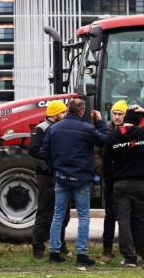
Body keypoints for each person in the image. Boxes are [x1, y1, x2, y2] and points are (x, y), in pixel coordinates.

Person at [40, 98, 109, 265]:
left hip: (61, 178)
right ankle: (82, 255)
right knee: (84, 216)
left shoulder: (54, 129)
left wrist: (54, 168)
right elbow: (106, 139)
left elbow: (44, 152)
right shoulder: (86, 128)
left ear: (68, 109)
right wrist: (100, 121)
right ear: (81, 112)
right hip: (81, 179)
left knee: (57, 215)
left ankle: (54, 253)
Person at [102, 105, 144, 267]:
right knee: (143, 221)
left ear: (125, 119)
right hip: (140, 184)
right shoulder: (141, 133)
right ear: (136, 120)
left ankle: (129, 258)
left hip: (120, 185)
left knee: (123, 222)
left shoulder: (112, 137)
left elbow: (106, 166)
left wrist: (115, 177)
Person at [28, 100, 69, 259]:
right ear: (56, 114)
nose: (65, 115)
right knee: (45, 212)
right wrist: (50, 166)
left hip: (59, 175)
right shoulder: (41, 129)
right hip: (46, 177)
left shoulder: (57, 128)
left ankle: (60, 245)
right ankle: (38, 249)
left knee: (63, 214)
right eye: (63, 112)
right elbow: (33, 151)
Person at [93, 99, 127, 259]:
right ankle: (107, 247)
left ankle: (127, 247)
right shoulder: (106, 130)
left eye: (120, 114)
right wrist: (103, 171)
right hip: (110, 179)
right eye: (115, 114)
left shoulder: (133, 130)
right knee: (110, 214)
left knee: (127, 214)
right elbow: (96, 153)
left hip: (127, 178)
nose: (117, 117)